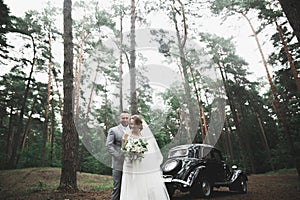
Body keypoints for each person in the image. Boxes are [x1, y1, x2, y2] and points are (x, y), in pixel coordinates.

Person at [120, 115, 170, 200]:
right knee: (132, 184)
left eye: (134, 124)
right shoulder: (126, 136)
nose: (132, 126)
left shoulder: (145, 138)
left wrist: (139, 152)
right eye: (130, 124)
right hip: (130, 164)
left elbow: (150, 153)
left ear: (139, 125)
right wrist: (130, 151)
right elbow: (122, 150)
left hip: (141, 165)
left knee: (143, 183)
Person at [106, 111, 130, 200]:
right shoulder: (113, 130)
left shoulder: (133, 130)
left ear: (129, 119)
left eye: (127, 118)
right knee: (117, 186)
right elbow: (109, 145)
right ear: (120, 119)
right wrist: (119, 157)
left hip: (131, 163)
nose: (125, 120)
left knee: (129, 187)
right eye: (123, 118)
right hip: (118, 163)